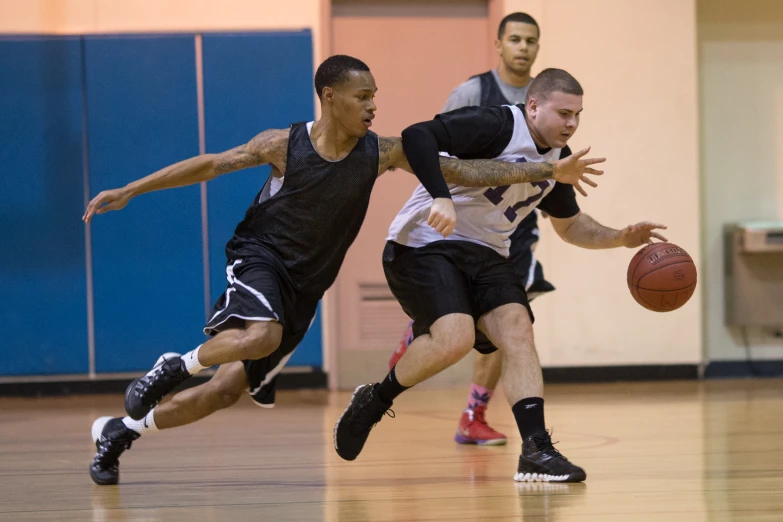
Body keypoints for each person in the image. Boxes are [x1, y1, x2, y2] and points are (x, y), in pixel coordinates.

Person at [83, 55, 599, 486]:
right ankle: (175, 366)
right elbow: (209, 163)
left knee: (223, 393)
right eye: (362, 97)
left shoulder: (381, 152)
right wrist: (132, 189)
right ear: (330, 97)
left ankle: (122, 431)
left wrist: (546, 170)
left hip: (307, 287)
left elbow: (463, 170)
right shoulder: (282, 144)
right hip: (261, 256)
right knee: (259, 335)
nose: (374, 106)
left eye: (376, 95)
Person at [334, 68, 666, 483]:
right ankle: (375, 399)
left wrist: (621, 237)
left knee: (518, 330)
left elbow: (570, 227)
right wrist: (441, 196)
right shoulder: (496, 124)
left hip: (489, 252)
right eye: (563, 113)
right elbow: (417, 135)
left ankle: (536, 452)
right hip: (423, 243)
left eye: (578, 115)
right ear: (532, 105)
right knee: (454, 339)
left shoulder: (559, 161)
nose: (572, 124)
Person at [387, 12, 553, 446]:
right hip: (461, 224)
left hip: (513, 228)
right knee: (463, 324)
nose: (523, 47)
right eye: (515, 39)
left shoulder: (551, 101)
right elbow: (436, 155)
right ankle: (422, 328)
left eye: (530, 41)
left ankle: (474, 414)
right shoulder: (474, 93)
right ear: (498, 44)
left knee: (512, 326)